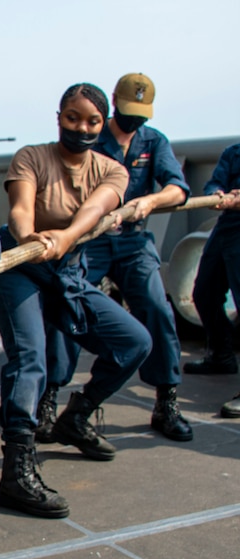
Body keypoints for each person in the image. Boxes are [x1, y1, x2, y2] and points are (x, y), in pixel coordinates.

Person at [0, 83, 152, 519]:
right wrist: (30, 238)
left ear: (103, 123)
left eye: (92, 121)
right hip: (20, 263)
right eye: (72, 117)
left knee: (135, 341)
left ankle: (75, 417)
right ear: (58, 116)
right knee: (30, 359)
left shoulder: (112, 169)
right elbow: (20, 210)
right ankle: (17, 467)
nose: (81, 127)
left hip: (69, 268)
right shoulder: (32, 156)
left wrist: (66, 237)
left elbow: (93, 212)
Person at [38, 73, 193, 444]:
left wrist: (151, 200)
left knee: (157, 308)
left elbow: (178, 189)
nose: (134, 120)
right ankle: (49, 397)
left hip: (134, 242)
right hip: (90, 241)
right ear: (113, 104)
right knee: (69, 309)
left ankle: (165, 400)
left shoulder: (153, 142)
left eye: (142, 114)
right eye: (128, 111)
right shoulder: (91, 137)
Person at [186, 142, 240, 380]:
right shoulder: (233, 153)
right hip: (227, 228)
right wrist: (216, 194)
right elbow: (214, 182)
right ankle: (221, 356)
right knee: (204, 293)